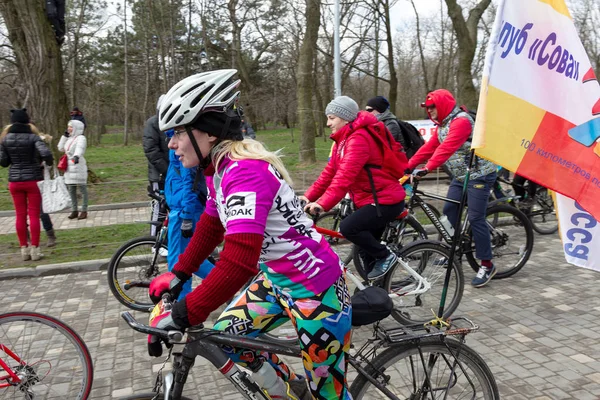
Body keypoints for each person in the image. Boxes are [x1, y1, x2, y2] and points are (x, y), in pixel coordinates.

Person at [147, 69, 351, 399]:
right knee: (225, 338)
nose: (171, 144)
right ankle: (290, 388)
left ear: (208, 134)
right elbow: (211, 226)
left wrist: (186, 312)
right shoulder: (219, 169)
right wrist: (178, 273)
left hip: (318, 292)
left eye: (177, 133)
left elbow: (239, 260)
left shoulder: (246, 173)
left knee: (328, 395)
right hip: (276, 280)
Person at [301, 96, 407, 280]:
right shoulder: (342, 141)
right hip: (369, 200)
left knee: (348, 227)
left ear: (345, 118)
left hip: (385, 200)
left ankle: (386, 256)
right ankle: (375, 296)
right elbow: (329, 173)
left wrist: (322, 203)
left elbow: (344, 177)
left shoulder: (359, 139)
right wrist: (308, 196)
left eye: (332, 118)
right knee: (364, 254)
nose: (328, 123)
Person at [406, 89, 497, 288]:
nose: (430, 111)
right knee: (449, 212)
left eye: (432, 107)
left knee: (475, 218)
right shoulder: (442, 125)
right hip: (461, 175)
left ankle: (487, 264)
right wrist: (408, 166)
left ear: (442, 105)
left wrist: (427, 168)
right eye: (427, 108)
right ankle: (453, 252)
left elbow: (446, 148)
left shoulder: (461, 121)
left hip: (480, 174)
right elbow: (429, 148)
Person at [0, 108, 53, 261]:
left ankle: (24, 249)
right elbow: (47, 154)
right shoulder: (33, 138)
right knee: (34, 215)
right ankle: (35, 249)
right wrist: (44, 163)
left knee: (20, 216)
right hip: (33, 180)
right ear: (27, 121)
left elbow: (3, 162)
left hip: (15, 182)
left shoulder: (5, 139)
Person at [163, 143, 214, 300]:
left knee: (178, 261)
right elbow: (176, 177)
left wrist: (186, 215)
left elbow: (189, 184)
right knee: (190, 259)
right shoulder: (178, 143)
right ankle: (227, 282)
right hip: (180, 207)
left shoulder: (183, 146)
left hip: (183, 210)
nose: (171, 142)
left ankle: (182, 303)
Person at [143, 96, 170, 236]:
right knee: (159, 207)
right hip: (160, 175)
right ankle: (154, 241)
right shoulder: (153, 123)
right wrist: (167, 170)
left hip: (174, 174)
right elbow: (151, 150)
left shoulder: (174, 122)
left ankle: (168, 240)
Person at [58, 119, 88, 220]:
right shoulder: (69, 138)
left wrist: (76, 156)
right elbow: (60, 148)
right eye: (68, 126)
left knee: (82, 188)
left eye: (71, 127)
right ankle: (74, 210)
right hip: (68, 166)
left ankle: (84, 210)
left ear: (76, 128)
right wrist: (64, 137)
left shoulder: (81, 138)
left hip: (78, 165)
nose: (69, 128)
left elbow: (80, 147)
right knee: (71, 189)